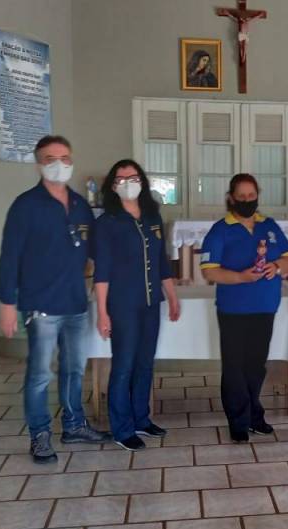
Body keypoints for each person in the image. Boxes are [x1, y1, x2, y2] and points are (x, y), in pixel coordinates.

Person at [0, 135, 110, 464]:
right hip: (41, 304)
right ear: (38, 165)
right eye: (50, 159)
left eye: (65, 158)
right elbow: (10, 257)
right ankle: (40, 434)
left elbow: (96, 250)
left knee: (74, 369)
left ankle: (74, 425)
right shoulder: (26, 205)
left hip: (75, 303)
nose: (59, 164)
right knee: (40, 373)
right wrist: (7, 305)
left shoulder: (80, 205)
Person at [200, 174, 288, 443]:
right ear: (231, 198)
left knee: (255, 365)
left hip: (265, 306)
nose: (246, 200)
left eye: (251, 196)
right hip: (233, 309)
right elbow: (209, 271)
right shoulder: (221, 229)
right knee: (234, 367)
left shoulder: (269, 225)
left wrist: (276, 266)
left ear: (257, 196)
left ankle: (254, 414)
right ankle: (238, 420)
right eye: (241, 196)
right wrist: (241, 277)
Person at [93, 159, 181, 452]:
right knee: (123, 366)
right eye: (120, 179)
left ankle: (141, 419)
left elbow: (161, 262)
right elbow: (102, 271)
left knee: (145, 363)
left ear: (142, 181)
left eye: (132, 177)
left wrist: (172, 296)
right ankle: (122, 428)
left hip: (151, 303)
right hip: (122, 305)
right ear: (112, 186)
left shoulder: (152, 216)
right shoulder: (107, 223)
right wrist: (102, 312)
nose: (127, 183)